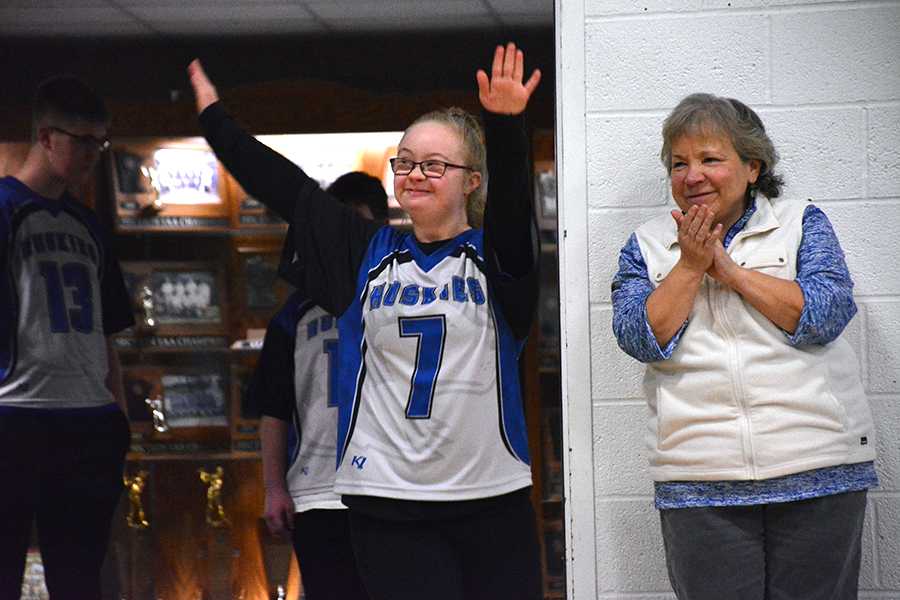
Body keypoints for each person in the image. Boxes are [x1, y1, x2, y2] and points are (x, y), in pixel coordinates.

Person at [188, 42, 543, 600]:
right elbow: (284, 186)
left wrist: (505, 125)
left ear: (471, 181)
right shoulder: (364, 252)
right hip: (387, 502)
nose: (415, 175)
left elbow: (515, 210)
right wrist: (216, 123)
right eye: (405, 162)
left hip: (490, 498)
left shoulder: (495, 258)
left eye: (434, 165)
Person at [611, 92, 878, 599]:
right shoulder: (644, 245)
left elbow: (825, 313)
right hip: (697, 483)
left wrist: (727, 271)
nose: (692, 177)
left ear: (753, 166)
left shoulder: (802, 222)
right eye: (679, 163)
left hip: (818, 468)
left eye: (710, 159)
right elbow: (639, 337)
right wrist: (690, 266)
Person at [0, 75, 133, 598]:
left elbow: (108, 330)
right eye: (82, 141)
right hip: (15, 412)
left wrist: (117, 413)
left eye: (100, 143)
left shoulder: (88, 223)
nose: (92, 155)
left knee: (81, 579)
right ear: (46, 136)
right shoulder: (8, 209)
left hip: (86, 418)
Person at [251, 171, 388, 600]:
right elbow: (273, 409)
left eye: (358, 226)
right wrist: (274, 487)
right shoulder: (292, 316)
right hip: (316, 491)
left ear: (379, 231)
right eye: (338, 227)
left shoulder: (397, 298)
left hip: (388, 488)